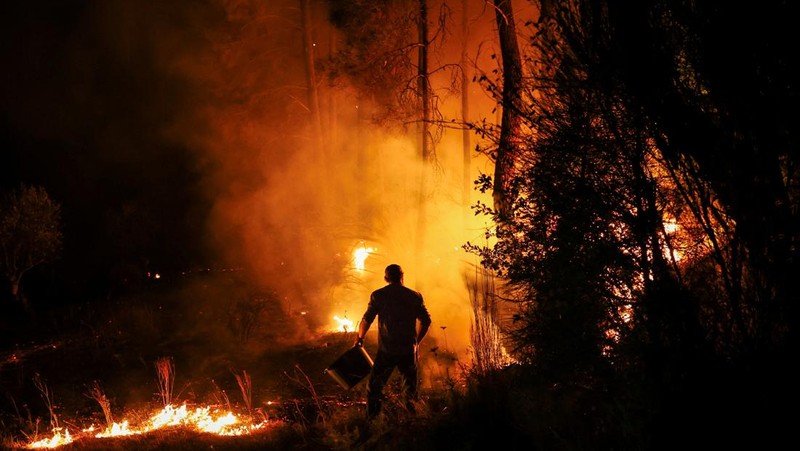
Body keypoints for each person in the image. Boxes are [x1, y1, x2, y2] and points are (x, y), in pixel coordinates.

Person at [353, 263, 432, 420]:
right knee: (410, 389)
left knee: (374, 388)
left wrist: (360, 338)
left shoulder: (378, 295)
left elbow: (366, 319)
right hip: (408, 351)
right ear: (402, 277)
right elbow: (426, 321)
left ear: (385, 278)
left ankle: (372, 421)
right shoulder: (414, 296)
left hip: (387, 351)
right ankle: (411, 422)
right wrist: (416, 342)